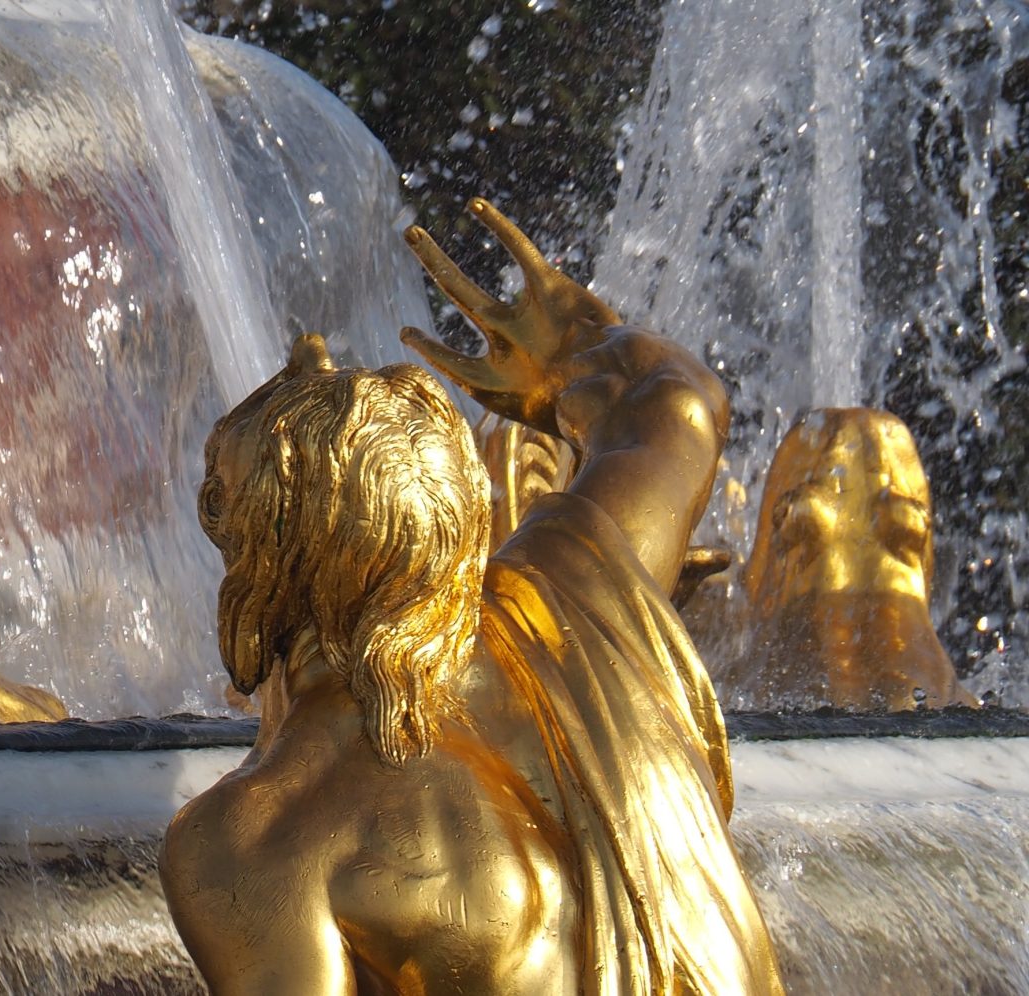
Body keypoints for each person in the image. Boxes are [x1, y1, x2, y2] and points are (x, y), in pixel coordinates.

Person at [160, 200, 785, 994]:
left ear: (261, 554)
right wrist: (572, 354)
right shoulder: (566, 603)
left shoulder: (261, 837)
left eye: (218, 506)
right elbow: (679, 402)